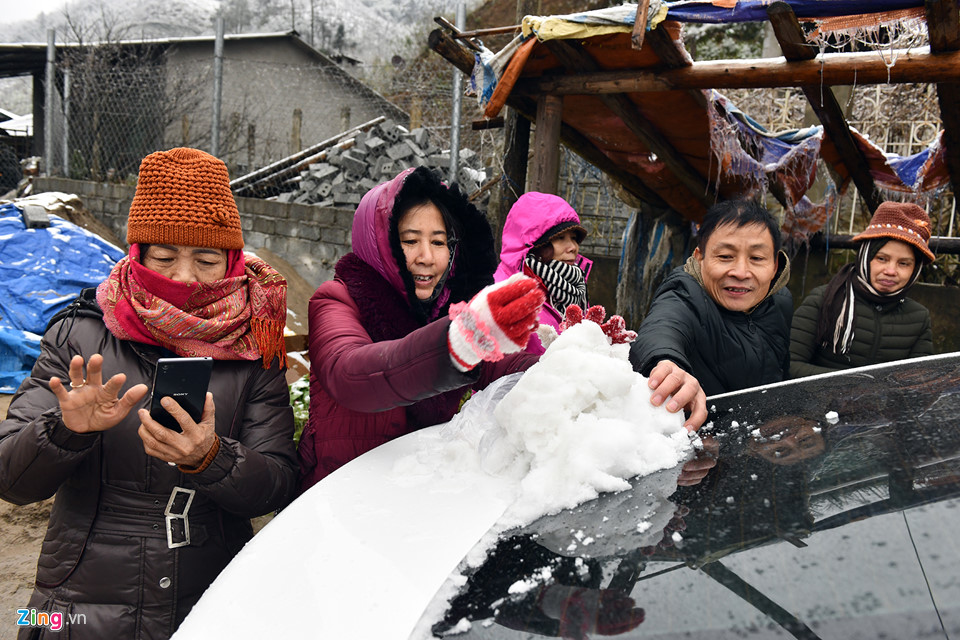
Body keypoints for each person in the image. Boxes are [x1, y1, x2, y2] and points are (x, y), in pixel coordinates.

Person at [0, 147, 299, 639]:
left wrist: (212, 458)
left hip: (210, 596)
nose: (184, 277)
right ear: (136, 254)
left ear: (231, 259)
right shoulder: (79, 332)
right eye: (164, 257)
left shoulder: (254, 344)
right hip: (70, 606)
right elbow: (12, 481)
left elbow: (278, 486)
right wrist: (64, 431)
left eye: (205, 259)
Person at [298, 167, 543, 492]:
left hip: (414, 494)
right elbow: (350, 373)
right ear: (379, 243)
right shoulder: (336, 300)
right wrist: (456, 342)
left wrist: (566, 363)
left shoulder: (443, 309)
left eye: (439, 242)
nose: (427, 257)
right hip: (337, 496)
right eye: (410, 241)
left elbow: (498, 363)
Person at [629, 199, 793, 430]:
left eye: (756, 258)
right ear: (699, 257)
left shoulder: (780, 301)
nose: (741, 272)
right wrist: (666, 365)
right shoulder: (684, 293)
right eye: (725, 256)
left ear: (775, 265)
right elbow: (662, 327)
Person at [789, 201, 935, 378]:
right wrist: (852, 384)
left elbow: (918, 383)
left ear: (915, 270)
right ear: (865, 257)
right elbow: (790, 365)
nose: (890, 271)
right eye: (881, 258)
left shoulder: (918, 319)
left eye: (903, 263)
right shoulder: (822, 300)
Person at [494, 191, 592, 354]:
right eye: (560, 238)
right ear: (534, 244)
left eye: (574, 237)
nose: (573, 247)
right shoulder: (504, 297)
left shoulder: (574, 289)